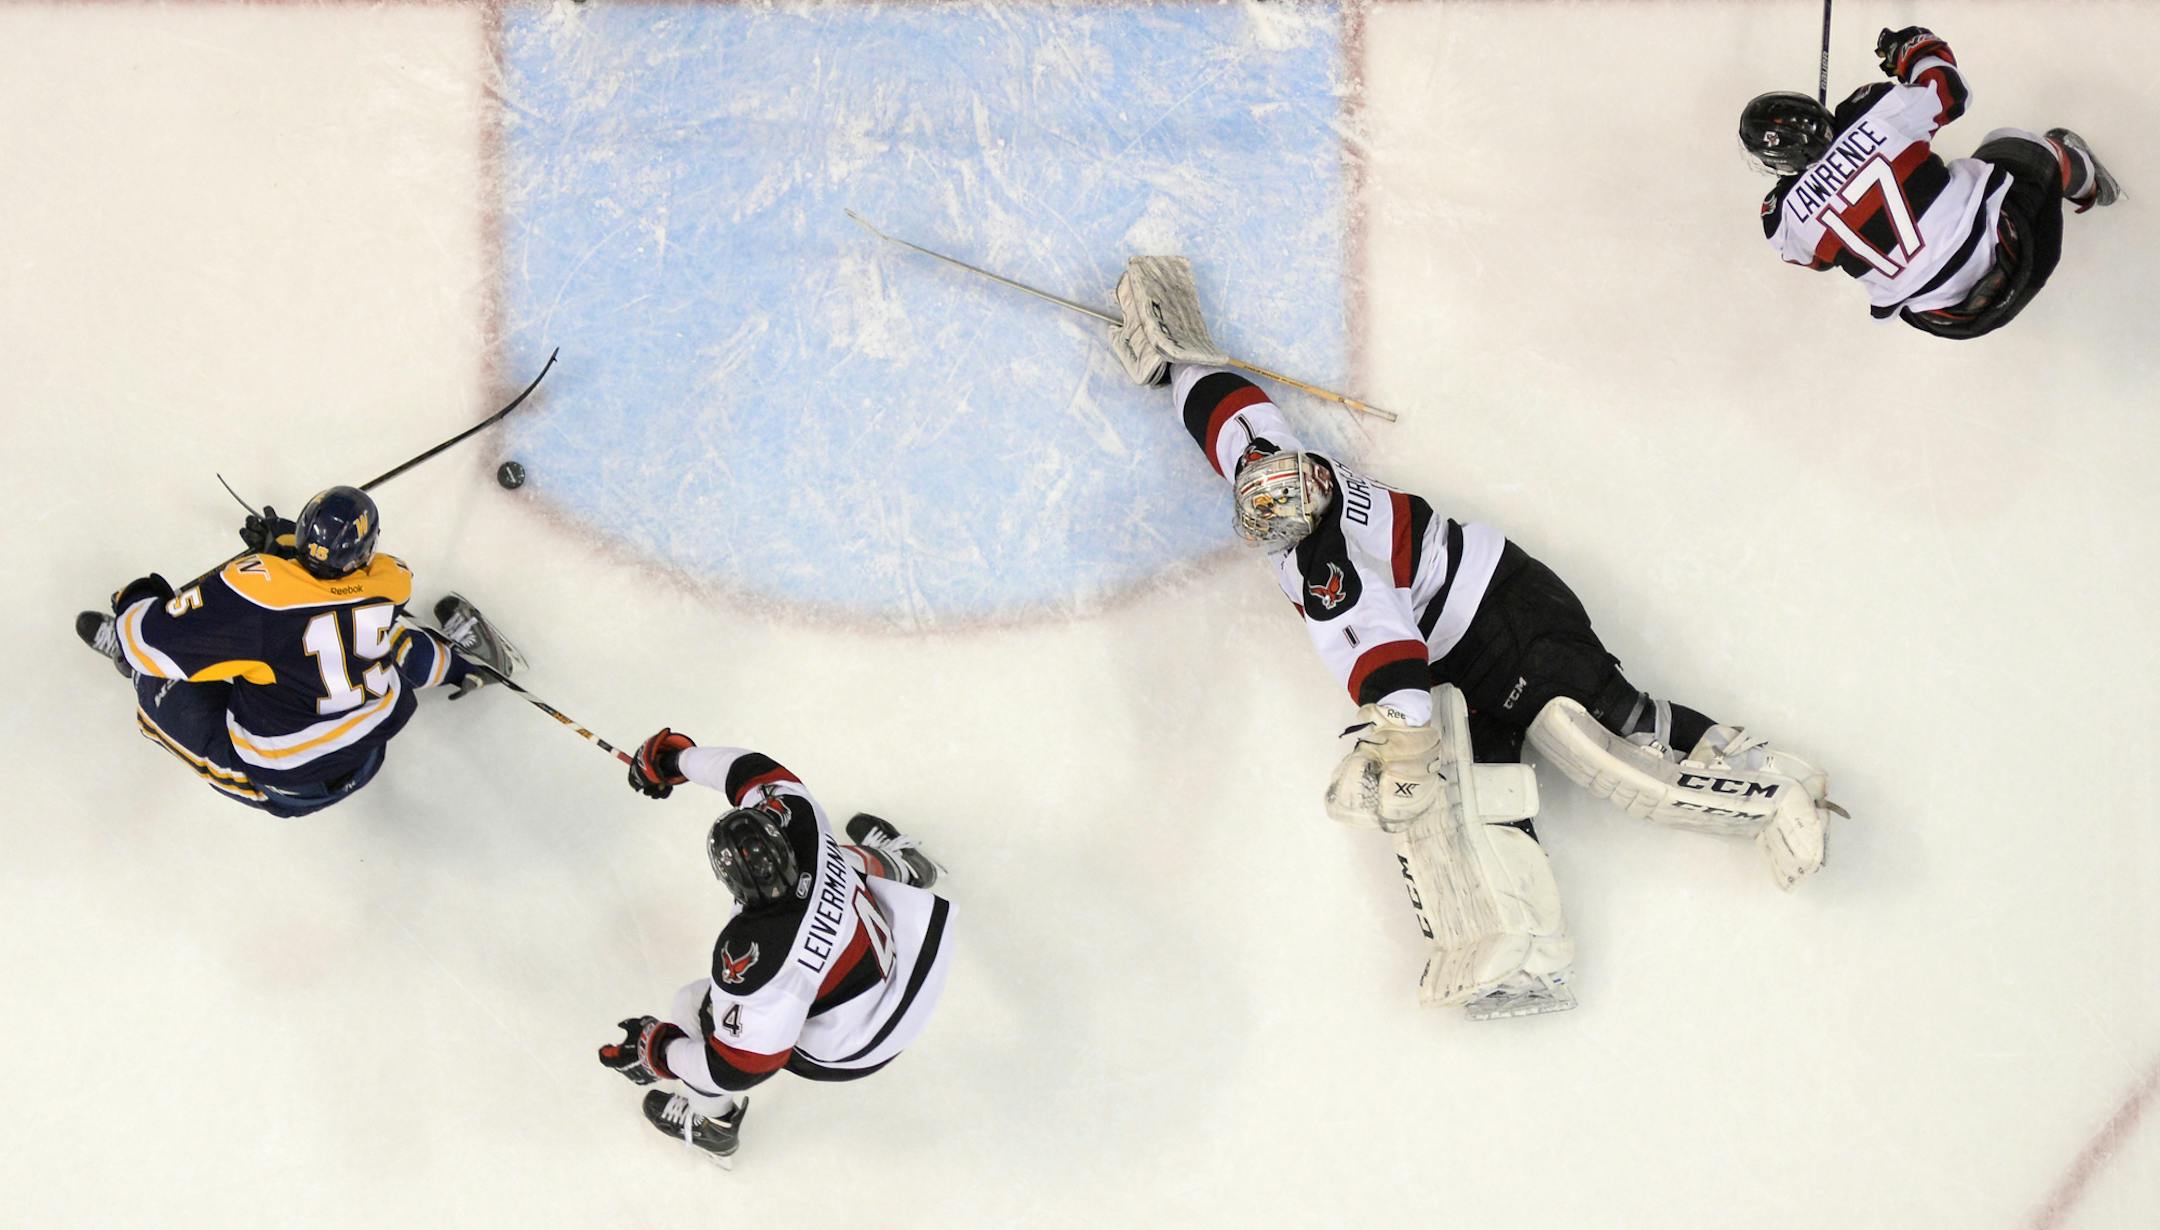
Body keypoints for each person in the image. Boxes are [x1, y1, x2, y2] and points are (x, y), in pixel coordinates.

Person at [1106, 256, 1846, 1019]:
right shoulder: (1276, 469)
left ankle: (1776, 786)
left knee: (1607, 741)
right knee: (1474, 805)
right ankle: (1532, 957)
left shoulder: (1326, 567)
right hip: (1462, 650)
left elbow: (1392, 665)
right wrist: (1177, 370)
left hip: (1508, 616)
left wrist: (1396, 746)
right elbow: (1235, 416)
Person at [602, 730, 954, 1165]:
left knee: (691, 1005)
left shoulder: (753, 958)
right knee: (834, 856)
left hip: (861, 1039)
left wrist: (659, 1051)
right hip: (913, 962)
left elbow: (740, 1066)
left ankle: (715, 1126)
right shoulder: (800, 820)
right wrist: (677, 761)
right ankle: (905, 867)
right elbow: (748, 769)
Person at [73, 486, 492, 817]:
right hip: (368, 753)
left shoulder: (258, 604)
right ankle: (461, 665)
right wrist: (458, 669)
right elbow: (328, 588)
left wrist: (136, 600)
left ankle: (132, 675)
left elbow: (149, 642)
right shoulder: (388, 584)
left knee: (158, 678)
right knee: (384, 637)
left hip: (288, 783)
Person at [1742, 25, 2120, 340]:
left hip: (1950, 319)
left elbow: (1814, 259)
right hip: (2018, 255)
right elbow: (1951, 89)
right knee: (2015, 144)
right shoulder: (1876, 111)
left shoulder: (1783, 221)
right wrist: (1911, 49)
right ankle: (2091, 185)